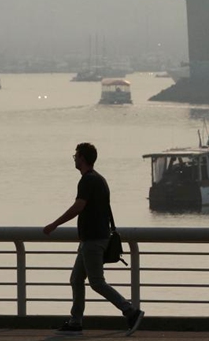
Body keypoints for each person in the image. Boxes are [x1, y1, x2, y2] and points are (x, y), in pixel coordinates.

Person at [43, 142, 144, 336]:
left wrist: (54, 224)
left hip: (93, 240)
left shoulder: (87, 181)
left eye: (76, 155)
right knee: (76, 279)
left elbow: (78, 206)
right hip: (93, 239)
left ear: (82, 158)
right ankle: (75, 322)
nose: (74, 158)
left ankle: (130, 311)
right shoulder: (99, 179)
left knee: (97, 282)